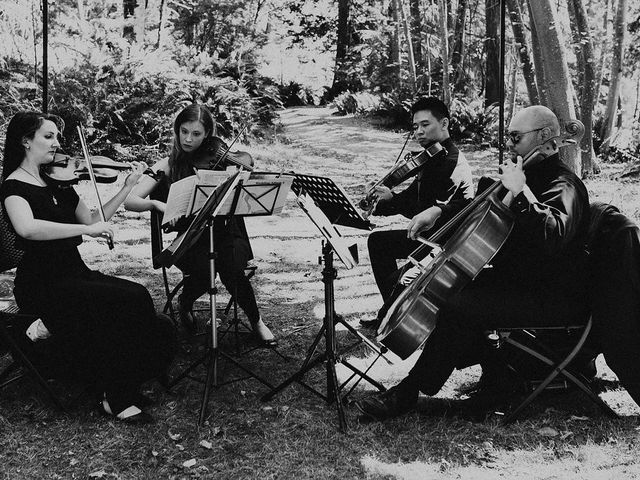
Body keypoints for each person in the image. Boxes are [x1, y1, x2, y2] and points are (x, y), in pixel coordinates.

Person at [355, 105, 592, 420]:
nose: (509, 144)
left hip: (550, 295)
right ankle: (495, 378)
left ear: (546, 137)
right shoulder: (525, 174)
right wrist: (439, 212)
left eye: (516, 137)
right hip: (520, 282)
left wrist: (521, 192)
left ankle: (411, 391)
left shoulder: (563, 184)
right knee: (453, 295)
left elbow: (554, 235)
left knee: (458, 305)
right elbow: (482, 211)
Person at [0, 111, 176, 423]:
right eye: (48, 136)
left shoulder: (59, 181)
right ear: (26, 141)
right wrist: (83, 232)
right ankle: (116, 399)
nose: (57, 143)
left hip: (74, 271)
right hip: (43, 282)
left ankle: (117, 383)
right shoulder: (14, 186)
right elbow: (27, 229)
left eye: (57, 136)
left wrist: (126, 187)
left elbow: (93, 220)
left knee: (138, 296)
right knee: (123, 302)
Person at [124, 104, 276, 346]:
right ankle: (185, 303)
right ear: (177, 130)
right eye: (184, 131)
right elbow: (130, 200)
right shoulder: (167, 164)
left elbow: (245, 174)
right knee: (206, 270)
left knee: (231, 268)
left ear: (207, 135)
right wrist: (157, 205)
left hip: (225, 232)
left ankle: (256, 321)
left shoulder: (219, 158)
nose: (188, 139)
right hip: (190, 238)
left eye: (196, 134)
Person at [360, 97, 474, 329]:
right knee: (379, 243)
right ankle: (391, 310)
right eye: (415, 127)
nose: (418, 132)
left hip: (443, 239)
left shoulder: (449, 163)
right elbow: (411, 198)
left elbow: (423, 211)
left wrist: (393, 201)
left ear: (444, 124)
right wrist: (382, 202)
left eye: (425, 125)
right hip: (431, 233)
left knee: (389, 263)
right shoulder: (434, 157)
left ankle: (393, 313)